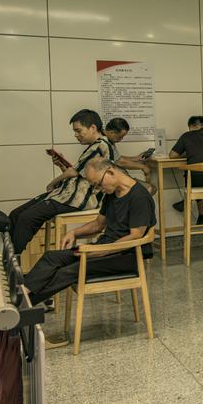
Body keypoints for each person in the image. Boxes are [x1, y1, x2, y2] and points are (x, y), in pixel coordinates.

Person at [23, 158, 155, 345]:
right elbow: (98, 225)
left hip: (126, 255)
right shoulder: (112, 193)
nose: (98, 189)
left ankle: (20, 308)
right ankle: (22, 293)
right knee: (52, 258)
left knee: (69, 271)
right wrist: (74, 232)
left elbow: (136, 236)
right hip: (104, 250)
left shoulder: (139, 197)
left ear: (110, 172)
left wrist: (101, 251)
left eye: (98, 184)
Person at [8, 109, 115, 256]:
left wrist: (52, 183)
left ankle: (12, 261)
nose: (76, 135)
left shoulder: (100, 146)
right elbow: (78, 173)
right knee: (15, 214)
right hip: (66, 194)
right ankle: (5, 256)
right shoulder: (96, 146)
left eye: (78, 130)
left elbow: (73, 173)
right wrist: (62, 165)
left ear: (93, 128)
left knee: (26, 218)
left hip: (78, 200)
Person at [104, 118, 154, 188]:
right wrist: (142, 167)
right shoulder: (103, 142)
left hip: (119, 176)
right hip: (113, 180)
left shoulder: (109, 140)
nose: (121, 139)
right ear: (112, 132)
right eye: (120, 137)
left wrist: (136, 158)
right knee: (149, 188)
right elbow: (120, 162)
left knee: (149, 188)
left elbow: (117, 158)